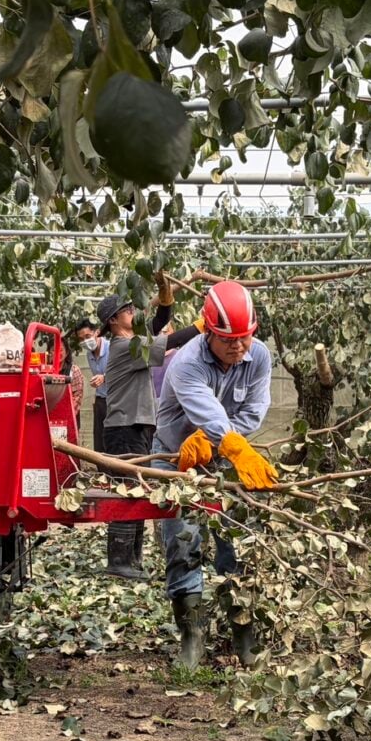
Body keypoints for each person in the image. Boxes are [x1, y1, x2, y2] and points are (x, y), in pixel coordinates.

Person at [151, 281, 278, 669]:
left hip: (224, 462)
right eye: (227, 339)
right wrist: (219, 436)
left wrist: (217, 441)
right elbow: (205, 407)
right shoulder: (186, 361)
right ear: (208, 331)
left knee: (235, 541)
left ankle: (244, 638)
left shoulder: (258, 358)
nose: (237, 346)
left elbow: (254, 411)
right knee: (183, 541)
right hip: (177, 458)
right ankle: (192, 639)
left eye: (243, 337)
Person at [97, 274, 202, 580]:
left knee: (137, 492)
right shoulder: (122, 346)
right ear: (114, 320)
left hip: (136, 425)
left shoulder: (131, 342)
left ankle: (131, 561)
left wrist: (166, 296)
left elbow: (158, 324)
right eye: (129, 310)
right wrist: (199, 327)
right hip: (124, 428)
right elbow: (167, 340)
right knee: (127, 493)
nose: (134, 313)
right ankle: (119, 562)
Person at [74, 318, 108, 451]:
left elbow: (122, 371)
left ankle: (115, 471)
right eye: (81, 339)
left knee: (112, 439)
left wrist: (104, 377)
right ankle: (103, 470)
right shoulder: (90, 355)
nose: (84, 341)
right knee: (99, 441)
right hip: (100, 400)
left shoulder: (112, 348)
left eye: (87, 336)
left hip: (115, 400)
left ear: (97, 332)